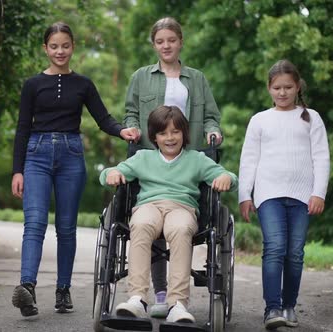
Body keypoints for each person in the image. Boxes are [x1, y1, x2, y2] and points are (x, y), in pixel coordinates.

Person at [10, 22, 139, 317]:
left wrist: (123, 132)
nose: (60, 51)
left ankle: (63, 290)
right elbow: (21, 129)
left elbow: (103, 118)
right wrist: (18, 170)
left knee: (66, 227)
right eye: (54, 46)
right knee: (35, 222)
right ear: (45, 49)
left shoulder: (83, 84)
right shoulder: (32, 85)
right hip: (36, 156)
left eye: (65, 46)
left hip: (71, 156)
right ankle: (27, 288)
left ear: (73, 47)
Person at [122, 16, 223, 317]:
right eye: (160, 41)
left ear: (180, 42)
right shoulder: (141, 76)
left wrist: (212, 131)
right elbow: (129, 112)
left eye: (171, 40)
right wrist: (131, 129)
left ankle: (173, 300)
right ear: (154, 44)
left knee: (176, 223)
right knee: (146, 219)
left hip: (188, 159)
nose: (166, 45)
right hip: (150, 159)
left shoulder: (197, 78)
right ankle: (157, 293)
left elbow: (211, 116)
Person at [100, 105, 237, 323]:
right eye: (163, 133)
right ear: (154, 137)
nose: (170, 138)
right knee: (141, 224)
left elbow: (226, 175)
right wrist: (112, 173)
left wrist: (226, 178)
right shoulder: (143, 157)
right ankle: (137, 298)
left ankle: (178, 304)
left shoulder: (196, 159)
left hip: (182, 207)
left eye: (175, 132)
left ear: (184, 133)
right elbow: (111, 172)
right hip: (149, 206)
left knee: (181, 229)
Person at [238, 59, 330, 329]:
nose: (282, 92)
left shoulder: (311, 118)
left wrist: (318, 193)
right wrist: (246, 194)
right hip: (269, 195)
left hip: (302, 196)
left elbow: (321, 158)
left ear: (297, 86)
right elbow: (249, 160)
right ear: (269, 88)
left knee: (295, 252)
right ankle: (272, 308)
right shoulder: (260, 120)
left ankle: (289, 305)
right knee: (275, 248)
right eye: (277, 87)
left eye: (288, 87)